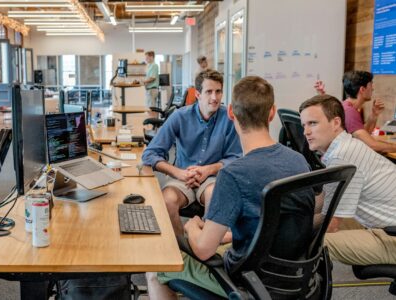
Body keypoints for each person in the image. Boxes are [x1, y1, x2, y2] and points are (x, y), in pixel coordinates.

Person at [146, 76, 315, 299]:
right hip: (295, 279)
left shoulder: (233, 175)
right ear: (272, 112)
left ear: (231, 112)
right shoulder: (299, 161)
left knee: (154, 268)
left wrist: (193, 228)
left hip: (247, 282)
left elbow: (203, 251)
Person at [141, 69, 242, 236]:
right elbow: (150, 154)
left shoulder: (229, 118)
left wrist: (208, 170)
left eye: (218, 91)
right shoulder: (180, 117)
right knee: (167, 201)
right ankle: (183, 249)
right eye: (209, 92)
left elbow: (236, 158)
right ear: (197, 94)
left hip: (212, 178)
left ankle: (205, 248)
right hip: (182, 176)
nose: (215, 98)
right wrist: (178, 173)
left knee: (215, 196)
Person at [299, 94, 396, 265]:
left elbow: (331, 224)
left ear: (336, 123)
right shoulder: (345, 147)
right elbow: (326, 200)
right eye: (304, 125)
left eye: (313, 123)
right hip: (384, 226)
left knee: (312, 241)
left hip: (390, 238)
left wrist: (283, 230)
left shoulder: (342, 157)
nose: (306, 132)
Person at [314, 71, 396, 153]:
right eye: (371, 85)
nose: (373, 89)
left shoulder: (347, 107)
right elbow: (371, 145)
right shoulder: (349, 112)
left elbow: (364, 134)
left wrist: (374, 115)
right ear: (362, 89)